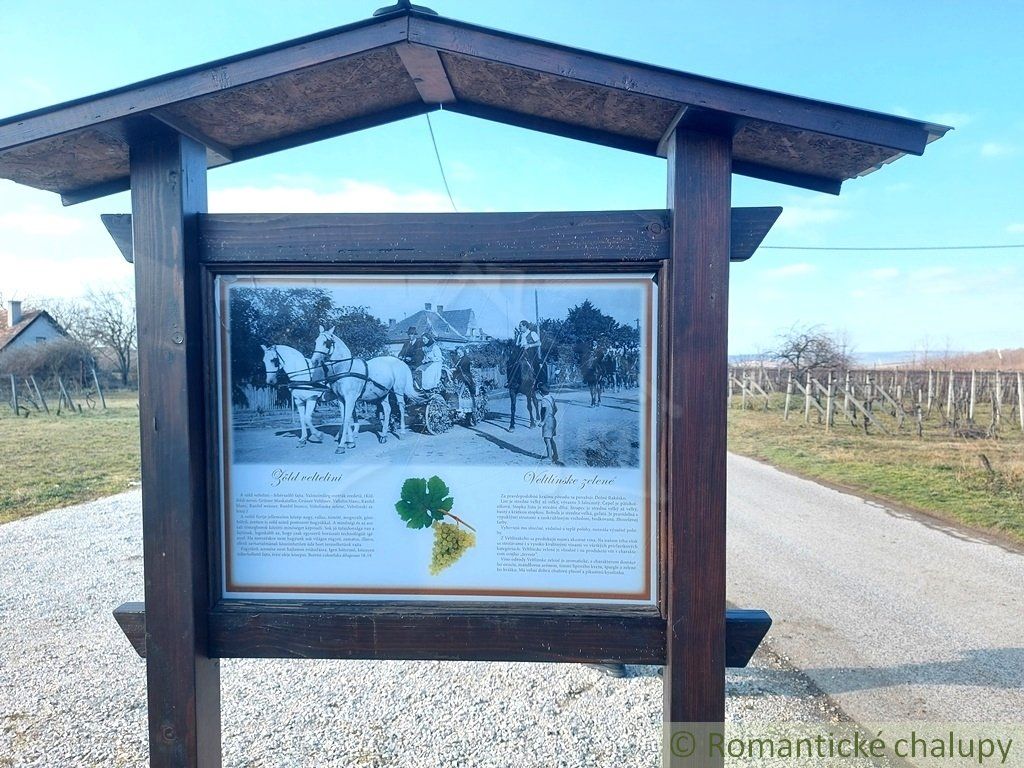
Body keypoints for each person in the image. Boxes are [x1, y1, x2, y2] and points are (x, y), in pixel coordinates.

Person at [536, 382, 562, 465]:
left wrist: (543, 422)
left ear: (540, 392)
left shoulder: (543, 400)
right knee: (551, 439)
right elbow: (556, 409)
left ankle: (549, 457)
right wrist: (552, 415)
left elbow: (546, 411)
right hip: (553, 420)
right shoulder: (551, 397)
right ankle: (555, 455)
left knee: (546, 439)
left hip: (547, 421)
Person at [452, 345, 478, 420]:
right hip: (460, 377)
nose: (458, 354)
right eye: (457, 353)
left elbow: (461, 369)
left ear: (463, 352)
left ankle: (467, 412)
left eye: (459, 353)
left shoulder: (466, 359)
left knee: (464, 393)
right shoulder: (460, 359)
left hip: (465, 378)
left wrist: (454, 369)